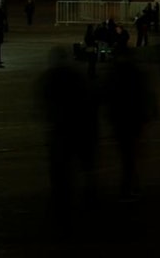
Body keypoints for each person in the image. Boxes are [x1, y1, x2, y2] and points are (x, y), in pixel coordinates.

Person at [38, 46, 98, 226]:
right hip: (79, 129)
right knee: (83, 168)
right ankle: (87, 200)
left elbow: (43, 105)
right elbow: (89, 101)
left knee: (59, 172)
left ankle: (62, 205)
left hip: (60, 131)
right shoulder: (77, 76)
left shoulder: (49, 78)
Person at [103, 53, 156, 201]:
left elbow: (105, 95)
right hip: (134, 121)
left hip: (121, 121)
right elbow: (147, 96)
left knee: (127, 156)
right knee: (131, 156)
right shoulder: (137, 75)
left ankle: (129, 186)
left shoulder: (114, 77)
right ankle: (132, 185)